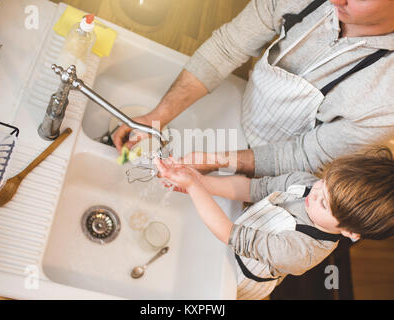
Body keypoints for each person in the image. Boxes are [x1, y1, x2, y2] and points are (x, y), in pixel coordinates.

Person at [113, 0, 394, 178]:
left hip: (276, 174)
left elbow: (304, 157)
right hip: (241, 107)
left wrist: (219, 162)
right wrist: (158, 115)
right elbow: (227, 47)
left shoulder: (386, 97)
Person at [154, 146, 394, 299]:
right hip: (228, 237)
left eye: (324, 203)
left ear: (350, 232)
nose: (315, 192)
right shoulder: (305, 183)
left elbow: (231, 234)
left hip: (239, 275)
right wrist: (202, 182)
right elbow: (253, 188)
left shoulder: (301, 251)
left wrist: (194, 187)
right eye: (326, 182)